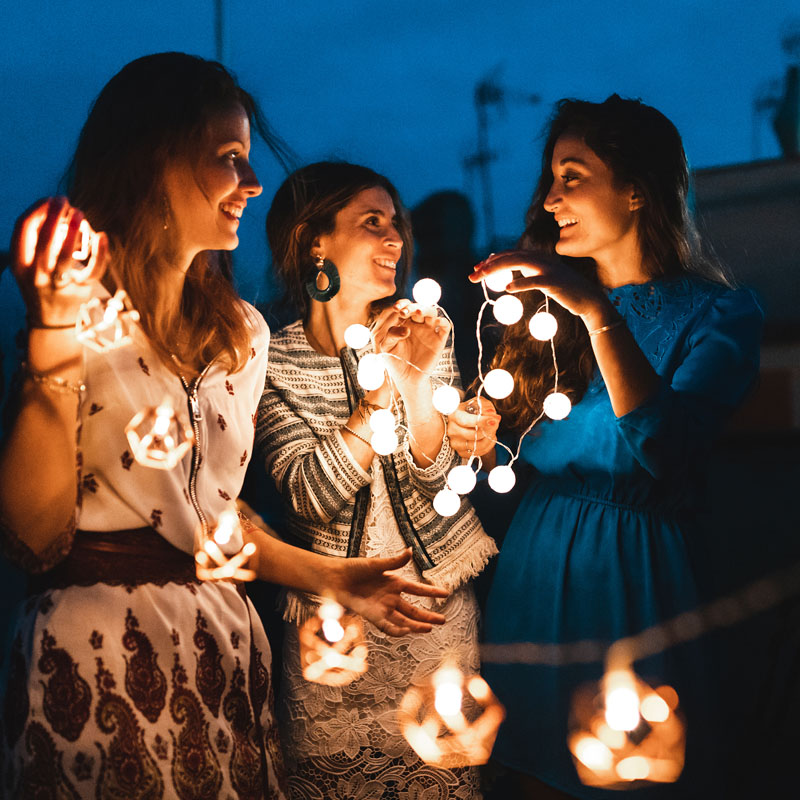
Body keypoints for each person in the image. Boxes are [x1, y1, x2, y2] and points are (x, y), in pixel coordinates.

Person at [0, 54, 449, 798]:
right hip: (96, 653)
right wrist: (52, 339)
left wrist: (333, 579)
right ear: (153, 160)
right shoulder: (80, 309)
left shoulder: (242, 333)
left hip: (221, 654)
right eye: (229, 160)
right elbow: (31, 537)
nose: (252, 184)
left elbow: (212, 523)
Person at [448, 96, 763, 799]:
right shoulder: (537, 316)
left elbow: (665, 449)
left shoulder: (717, 316)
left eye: (572, 175)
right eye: (550, 179)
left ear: (636, 189)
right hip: (534, 567)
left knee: (629, 768)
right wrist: (484, 440)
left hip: (637, 577)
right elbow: (521, 451)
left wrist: (593, 310)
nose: (549, 198)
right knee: (531, 772)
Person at [256, 161, 498, 799]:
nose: (396, 239)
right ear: (316, 242)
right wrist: (377, 398)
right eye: (372, 223)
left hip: (432, 614)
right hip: (332, 625)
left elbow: (438, 483)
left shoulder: (426, 333)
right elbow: (309, 495)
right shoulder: (270, 358)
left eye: (397, 224)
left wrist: (420, 387)